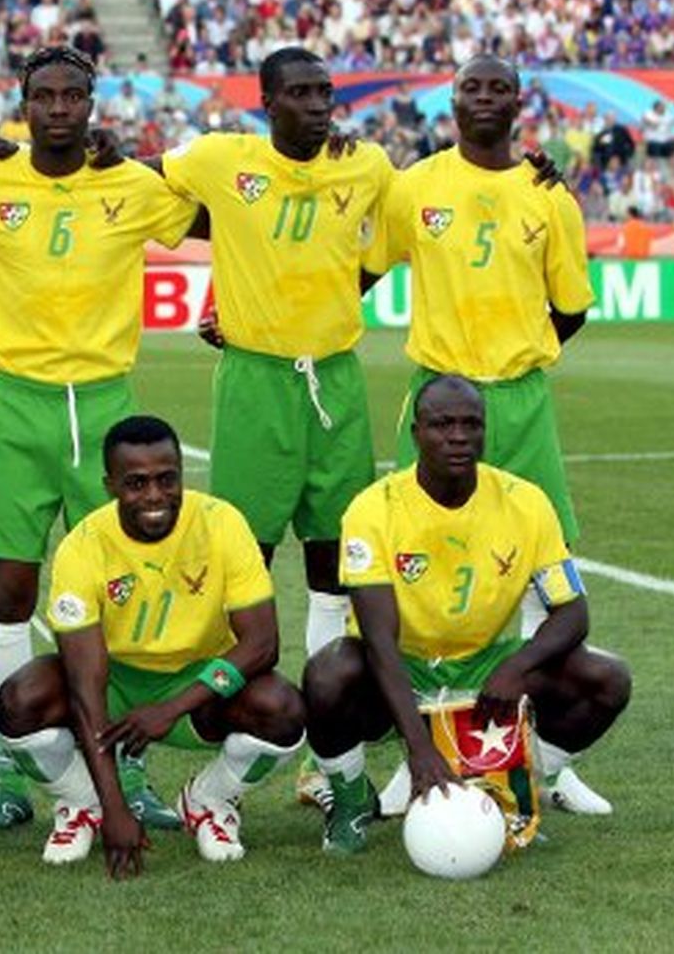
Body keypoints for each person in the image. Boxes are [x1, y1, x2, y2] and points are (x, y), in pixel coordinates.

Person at [0, 46, 205, 837]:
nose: (58, 109)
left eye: (73, 95)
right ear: (23, 103)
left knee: (120, 592)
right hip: (15, 404)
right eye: (42, 95)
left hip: (107, 408)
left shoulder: (132, 185)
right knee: (5, 599)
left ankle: (125, 768)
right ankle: (14, 773)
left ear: (92, 103)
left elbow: (212, 213)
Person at [368, 55, 606, 816]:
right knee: (415, 561)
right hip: (435, 399)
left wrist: (513, 360)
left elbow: (569, 306)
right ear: (453, 98)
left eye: (498, 87)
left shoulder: (549, 195)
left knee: (547, 564)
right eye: (472, 86)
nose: (483, 98)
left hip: (519, 398)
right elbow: (363, 266)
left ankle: (541, 758)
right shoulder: (415, 186)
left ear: (517, 101)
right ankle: (423, 746)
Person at [155, 47, 393, 802]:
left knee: (336, 568)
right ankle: (231, 730)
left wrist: (325, 295)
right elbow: (143, 183)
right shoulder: (222, 159)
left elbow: (379, 249)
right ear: (267, 102)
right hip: (256, 382)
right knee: (242, 562)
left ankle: (325, 760)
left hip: (337, 379)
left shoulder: (368, 165)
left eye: (326, 92)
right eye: (302, 93)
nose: (321, 105)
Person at [303, 376, 630, 853]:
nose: (458, 436)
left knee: (607, 678)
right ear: (416, 433)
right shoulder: (373, 509)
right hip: (402, 665)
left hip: (486, 663)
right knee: (328, 673)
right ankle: (352, 802)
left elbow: (573, 613)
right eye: (442, 424)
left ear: (484, 432)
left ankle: (527, 781)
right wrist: (420, 750)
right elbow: (377, 638)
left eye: (470, 425)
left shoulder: (526, 502)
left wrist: (516, 666)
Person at [0, 416, 304, 875]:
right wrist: (116, 807)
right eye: (136, 483)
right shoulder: (83, 546)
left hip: (197, 683)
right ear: (110, 485)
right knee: (20, 700)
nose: (155, 496)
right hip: (113, 682)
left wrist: (173, 706)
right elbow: (85, 683)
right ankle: (83, 805)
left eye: (167, 479)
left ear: (181, 473)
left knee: (282, 708)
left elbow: (263, 644)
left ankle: (208, 802)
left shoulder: (221, 523)